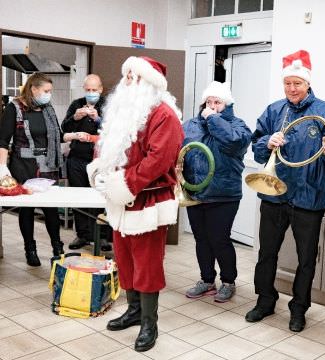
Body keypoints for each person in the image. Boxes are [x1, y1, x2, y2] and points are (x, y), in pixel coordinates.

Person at [245, 50, 325, 332]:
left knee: (306, 259)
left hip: (309, 197)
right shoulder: (273, 111)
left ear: (308, 84)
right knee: (266, 252)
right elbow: (256, 150)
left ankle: (298, 309)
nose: (292, 89)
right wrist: (267, 142)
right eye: (288, 83)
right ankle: (265, 300)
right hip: (273, 194)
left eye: (297, 83)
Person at [86, 56, 183, 352]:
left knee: (147, 264)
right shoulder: (125, 112)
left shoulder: (164, 114)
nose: (126, 82)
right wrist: (100, 170)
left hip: (147, 198)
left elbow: (159, 159)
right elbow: (107, 145)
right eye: (125, 76)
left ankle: (149, 323)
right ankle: (133, 311)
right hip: (120, 200)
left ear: (148, 83)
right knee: (125, 259)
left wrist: (125, 184)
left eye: (132, 77)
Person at [183, 81, 252, 303]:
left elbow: (234, 143)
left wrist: (213, 119)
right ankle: (206, 280)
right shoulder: (191, 125)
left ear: (227, 104)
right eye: (208, 102)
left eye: (217, 102)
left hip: (224, 195)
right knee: (201, 239)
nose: (212, 106)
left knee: (219, 239)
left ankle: (229, 281)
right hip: (195, 193)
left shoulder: (238, 126)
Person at [0, 73, 64, 266]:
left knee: (51, 209)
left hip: (47, 165)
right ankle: (31, 249)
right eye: (46, 91)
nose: (49, 95)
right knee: (26, 211)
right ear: (34, 89)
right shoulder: (15, 108)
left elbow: (58, 136)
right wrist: (2, 168)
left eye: (50, 91)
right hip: (23, 166)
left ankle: (57, 248)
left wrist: (76, 135)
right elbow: (2, 140)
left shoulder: (48, 108)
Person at [62, 74, 111, 251]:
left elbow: (114, 130)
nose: (91, 93)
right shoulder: (76, 104)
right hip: (76, 158)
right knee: (78, 197)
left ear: (100, 89)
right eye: (88, 90)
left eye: (94, 90)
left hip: (100, 161)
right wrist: (75, 118)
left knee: (100, 198)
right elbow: (64, 129)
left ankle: (102, 236)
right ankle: (82, 235)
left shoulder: (108, 105)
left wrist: (98, 119)